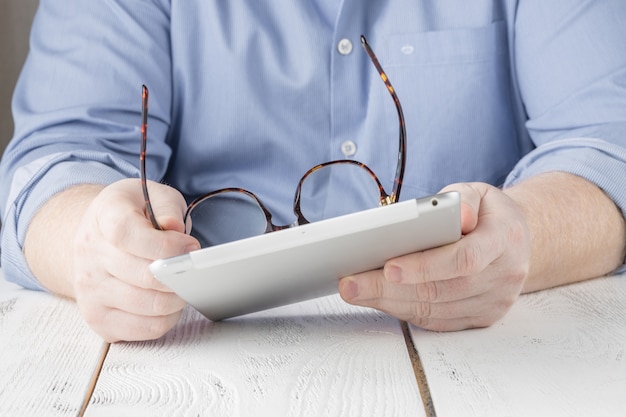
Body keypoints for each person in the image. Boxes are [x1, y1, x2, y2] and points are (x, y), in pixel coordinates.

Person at [1, 1, 625, 343]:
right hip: (196, 368)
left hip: (489, 358)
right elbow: (57, 159)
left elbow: (609, 145)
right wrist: (91, 240)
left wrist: (523, 238)